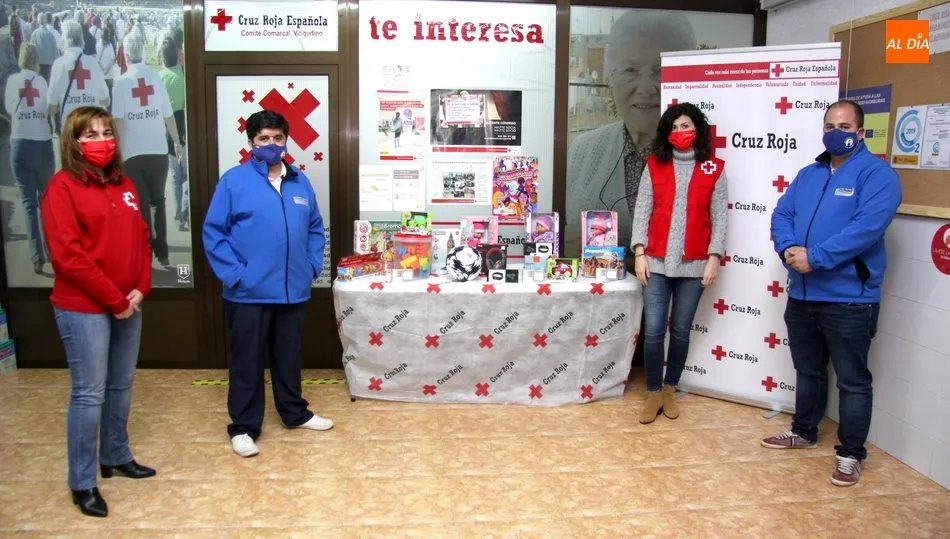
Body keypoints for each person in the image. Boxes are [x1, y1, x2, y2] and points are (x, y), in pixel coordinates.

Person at [763, 100, 902, 487]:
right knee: (808, 371)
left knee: (853, 380)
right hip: (803, 295)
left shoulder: (878, 176)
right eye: (829, 125)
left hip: (849, 300)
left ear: (860, 132)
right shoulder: (810, 173)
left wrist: (817, 258)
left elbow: (866, 229)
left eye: (844, 125)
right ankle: (804, 431)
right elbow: (782, 213)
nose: (834, 131)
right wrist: (788, 248)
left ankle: (850, 453)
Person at [40, 106, 156, 518]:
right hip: (84, 307)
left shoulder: (124, 183)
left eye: (107, 132)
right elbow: (68, 257)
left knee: (121, 384)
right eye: (90, 135)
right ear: (72, 142)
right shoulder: (62, 188)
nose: (102, 140)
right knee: (89, 393)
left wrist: (141, 288)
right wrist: (115, 299)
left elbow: (142, 237)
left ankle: (116, 455)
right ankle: (83, 481)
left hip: (129, 302)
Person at [203, 110, 333, 458]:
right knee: (247, 361)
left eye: (277, 138)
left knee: (288, 356)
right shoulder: (234, 181)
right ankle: (244, 427)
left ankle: (295, 413)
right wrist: (236, 275)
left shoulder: (299, 181)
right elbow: (214, 234)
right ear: (251, 143)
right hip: (248, 293)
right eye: (264, 139)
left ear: (286, 141)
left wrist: (309, 266)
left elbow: (315, 228)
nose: (271, 144)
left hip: (292, 290)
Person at [565, 11, 697, 257]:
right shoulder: (580, 151)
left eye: (660, 71)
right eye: (630, 70)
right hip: (599, 292)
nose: (646, 88)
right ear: (611, 78)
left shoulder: (701, 154)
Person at [630, 102, 728, 424]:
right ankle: (654, 391)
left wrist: (714, 258)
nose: (679, 132)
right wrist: (640, 252)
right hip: (656, 263)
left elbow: (719, 218)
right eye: (673, 127)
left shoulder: (714, 168)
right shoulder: (655, 165)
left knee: (681, 331)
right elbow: (643, 209)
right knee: (655, 330)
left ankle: (671, 388)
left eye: (685, 126)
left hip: (695, 264)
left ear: (697, 130)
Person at [112, 30, 181, 267]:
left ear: (124, 54)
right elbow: (168, 115)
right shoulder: (154, 78)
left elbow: (118, 121)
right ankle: (162, 250)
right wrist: (177, 143)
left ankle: (145, 254)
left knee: (140, 205)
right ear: (143, 51)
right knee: (158, 202)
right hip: (158, 152)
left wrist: (116, 152)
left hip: (132, 154)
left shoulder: (121, 82)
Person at [4, 42, 54, 274]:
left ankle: (36, 256)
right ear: (35, 60)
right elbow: (47, 109)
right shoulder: (42, 82)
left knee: (28, 203)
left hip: (20, 144)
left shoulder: (12, 81)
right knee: (47, 201)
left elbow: (9, 109)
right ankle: (52, 250)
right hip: (42, 144)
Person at [48, 21, 109, 132]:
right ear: (81, 39)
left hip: (69, 129)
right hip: (91, 128)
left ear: (64, 39)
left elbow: (51, 107)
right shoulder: (93, 63)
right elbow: (106, 100)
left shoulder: (58, 64)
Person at [158, 37, 188, 231]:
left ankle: (178, 217)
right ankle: (186, 209)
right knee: (186, 175)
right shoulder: (184, 74)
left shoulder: (159, 77)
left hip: (168, 129)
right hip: (184, 124)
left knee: (176, 177)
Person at [29, 12, 57, 83]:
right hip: (49, 66)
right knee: (47, 84)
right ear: (46, 21)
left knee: (38, 85)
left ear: (38, 21)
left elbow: (31, 50)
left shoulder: (34, 34)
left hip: (38, 65)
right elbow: (56, 52)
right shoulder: (50, 35)